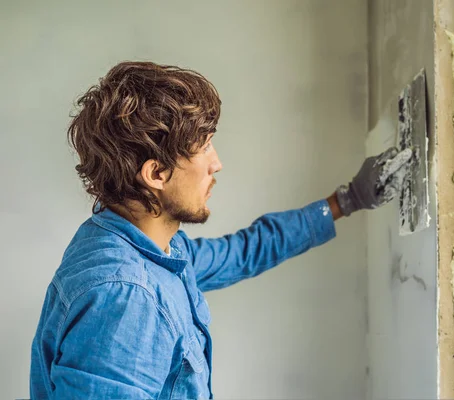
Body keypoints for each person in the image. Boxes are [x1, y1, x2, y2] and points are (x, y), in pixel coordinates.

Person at [29, 61, 413, 399]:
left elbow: (242, 252)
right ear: (156, 174)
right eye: (205, 147)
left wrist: (346, 201)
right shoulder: (127, 298)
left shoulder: (146, 245)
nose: (217, 164)